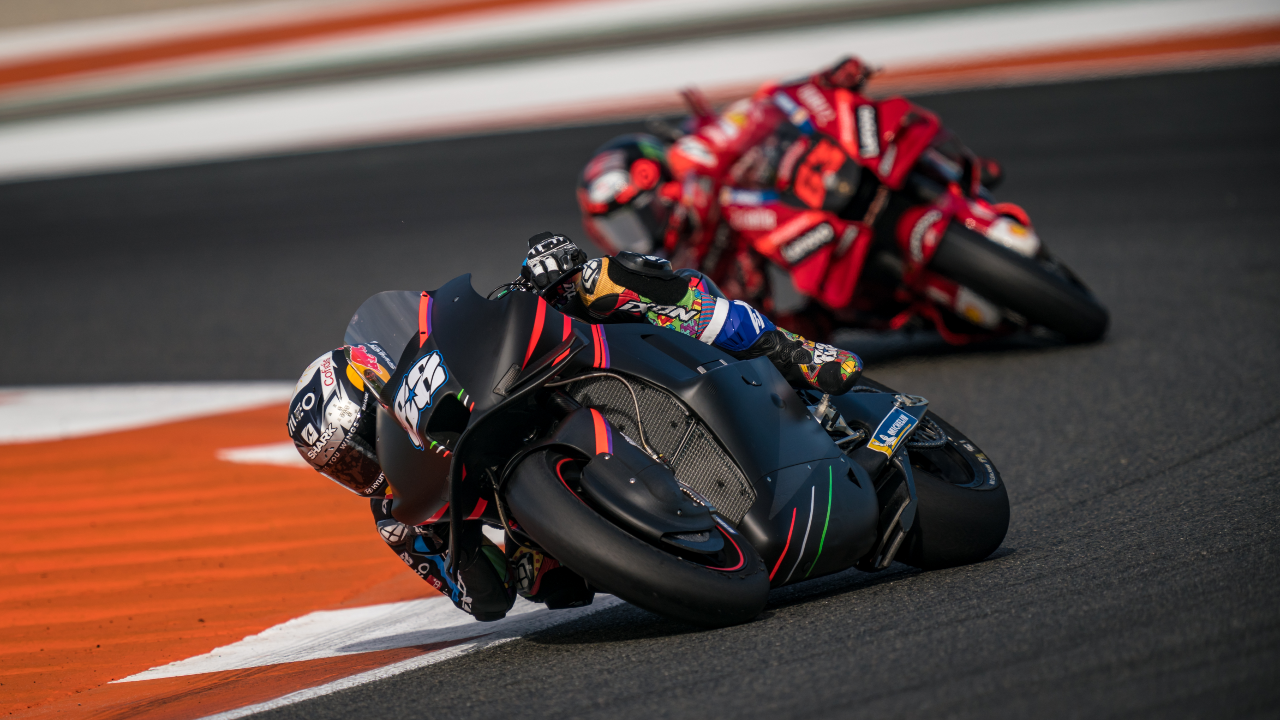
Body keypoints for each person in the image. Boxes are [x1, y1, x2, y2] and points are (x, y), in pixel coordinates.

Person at [285, 231, 864, 621]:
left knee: (600, 280)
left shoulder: (437, 355)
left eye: (359, 446)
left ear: (377, 382)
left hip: (550, 380)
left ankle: (787, 349)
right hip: (557, 526)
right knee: (541, 581)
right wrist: (448, 550)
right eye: (345, 468)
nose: (365, 468)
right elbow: (485, 601)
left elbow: (493, 317)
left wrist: (542, 274)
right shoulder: (399, 513)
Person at [577, 56, 1002, 339]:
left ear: (658, 186)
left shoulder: (697, 155)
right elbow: (727, 315)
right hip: (797, 263)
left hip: (809, 185)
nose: (636, 235)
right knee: (813, 322)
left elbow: (761, 108)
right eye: (619, 229)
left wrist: (822, 84)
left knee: (869, 120)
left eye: (635, 216)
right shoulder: (684, 263)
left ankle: (954, 171)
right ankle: (906, 306)